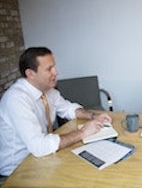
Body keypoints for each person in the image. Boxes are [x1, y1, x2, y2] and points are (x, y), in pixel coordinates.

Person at [0, 47, 112, 183]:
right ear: (30, 74)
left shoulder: (48, 90)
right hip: (17, 171)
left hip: (44, 158)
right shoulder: (16, 99)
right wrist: (82, 132)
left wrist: (93, 116)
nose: (56, 72)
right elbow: (39, 147)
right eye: (49, 69)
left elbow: (69, 109)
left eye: (54, 67)